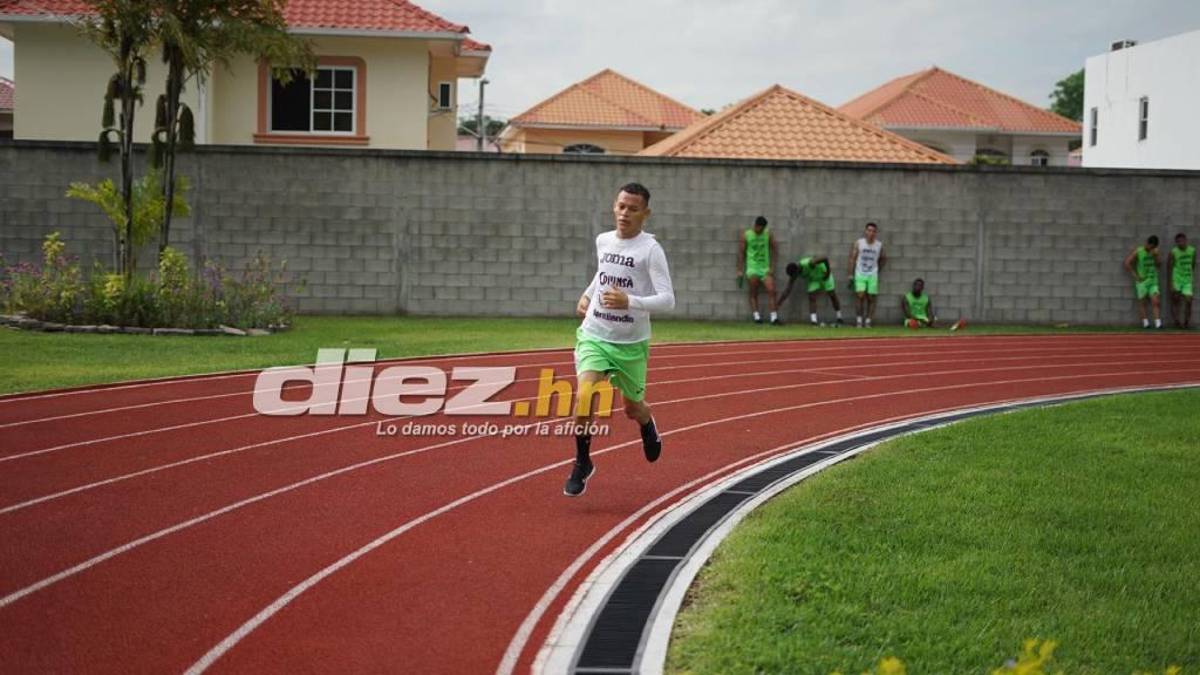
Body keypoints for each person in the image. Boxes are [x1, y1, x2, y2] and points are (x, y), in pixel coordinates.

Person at [567, 182, 675, 497]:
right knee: (584, 396)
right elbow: (603, 273)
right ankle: (582, 461)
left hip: (631, 344)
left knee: (632, 408)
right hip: (596, 333)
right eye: (621, 206)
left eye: (632, 208)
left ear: (646, 213)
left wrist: (631, 302)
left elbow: (667, 300)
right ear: (614, 206)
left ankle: (647, 424)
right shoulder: (603, 240)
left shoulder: (651, 250)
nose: (624, 213)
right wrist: (588, 295)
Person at [737, 215, 782, 325]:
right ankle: (757, 317)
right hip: (752, 268)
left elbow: (775, 250)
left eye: (762, 229)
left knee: (772, 291)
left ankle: (774, 318)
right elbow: (741, 253)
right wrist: (739, 269)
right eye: (759, 228)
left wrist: (772, 267)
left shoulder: (768, 234)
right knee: (753, 293)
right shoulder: (746, 235)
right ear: (756, 225)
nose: (760, 231)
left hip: (765, 269)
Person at [779, 255, 844, 326]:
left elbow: (825, 258)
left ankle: (839, 318)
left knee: (832, 295)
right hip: (814, 280)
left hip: (824, 275)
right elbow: (788, 289)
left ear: (797, 270)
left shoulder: (809, 263)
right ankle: (814, 321)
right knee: (811, 296)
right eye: (793, 276)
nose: (795, 277)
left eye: (795, 275)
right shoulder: (794, 273)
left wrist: (828, 272)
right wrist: (780, 301)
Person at [847, 222, 886, 328]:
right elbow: (852, 258)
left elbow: (883, 258)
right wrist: (850, 274)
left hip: (872, 273)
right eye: (869, 230)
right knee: (860, 296)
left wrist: (877, 270)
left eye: (873, 231)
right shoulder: (859, 243)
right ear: (865, 231)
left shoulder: (879, 245)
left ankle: (868, 321)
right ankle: (859, 321)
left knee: (871, 297)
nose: (871, 233)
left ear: (876, 233)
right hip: (860, 273)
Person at [1124, 235, 1162, 329]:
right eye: (1150, 246)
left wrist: (1156, 256)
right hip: (1142, 281)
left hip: (1153, 280)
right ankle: (1145, 323)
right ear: (1147, 243)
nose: (1151, 249)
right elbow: (1127, 263)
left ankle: (1158, 323)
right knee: (1142, 302)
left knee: (1156, 301)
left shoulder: (1155, 252)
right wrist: (1136, 276)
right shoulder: (1139, 251)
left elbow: (1159, 265)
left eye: (1153, 247)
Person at [1169, 232, 1195, 329]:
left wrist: (1190, 275)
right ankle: (1176, 321)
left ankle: (1186, 322)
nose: (1181, 243)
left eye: (1182, 241)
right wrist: (1171, 283)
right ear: (1176, 242)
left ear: (1186, 240)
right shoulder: (1173, 252)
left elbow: (1193, 265)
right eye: (1178, 242)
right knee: (1175, 300)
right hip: (1177, 279)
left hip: (1187, 280)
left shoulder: (1192, 250)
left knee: (1189, 301)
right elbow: (1169, 267)